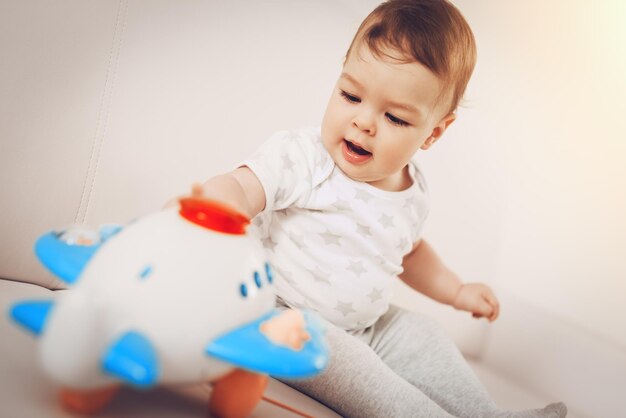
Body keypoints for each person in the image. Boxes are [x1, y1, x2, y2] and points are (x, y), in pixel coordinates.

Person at [179, 0, 567, 416]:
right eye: (350, 95)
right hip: (280, 315)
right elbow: (243, 184)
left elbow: (412, 253)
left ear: (434, 132)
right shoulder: (305, 157)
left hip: (367, 326)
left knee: (424, 334)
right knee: (360, 370)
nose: (364, 122)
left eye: (396, 118)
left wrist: (455, 290)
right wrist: (217, 206)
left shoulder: (412, 190)